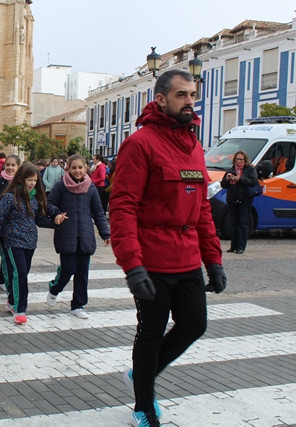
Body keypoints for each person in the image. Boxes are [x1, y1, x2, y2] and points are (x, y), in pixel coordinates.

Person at [110, 70, 226, 427]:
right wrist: (133, 266)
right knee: (150, 332)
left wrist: (214, 260)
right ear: (161, 99)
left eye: (192, 95)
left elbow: (202, 207)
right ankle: (143, 406)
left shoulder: (193, 145)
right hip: (152, 259)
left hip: (187, 256)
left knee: (194, 324)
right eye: (181, 95)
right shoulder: (140, 143)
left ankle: (142, 374)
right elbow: (123, 206)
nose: (190, 101)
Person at [0, 163, 64, 324]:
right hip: (12, 241)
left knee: (21, 273)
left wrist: (56, 221)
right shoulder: (9, 197)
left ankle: (11, 301)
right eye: (29, 180)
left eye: (35, 180)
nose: (31, 183)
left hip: (30, 242)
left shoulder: (35, 198)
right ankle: (19, 308)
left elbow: (39, 219)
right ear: (21, 179)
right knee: (20, 274)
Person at [46, 154, 110, 319]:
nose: (77, 170)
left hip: (85, 235)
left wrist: (105, 233)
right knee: (68, 268)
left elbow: (98, 212)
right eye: (74, 167)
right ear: (68, 168)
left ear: (86, 168)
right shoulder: (61, 186)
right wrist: (56, 214)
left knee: (82, 272)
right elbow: (49, 203)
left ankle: (78, 305)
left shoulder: (91, 188)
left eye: (80, 167)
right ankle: (55, 288)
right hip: (66, 234)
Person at [0, 154, 21, 289]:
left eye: (13, 165)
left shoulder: (22, 183)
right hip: (2, 225)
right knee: (6, 256)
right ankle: (6, 282)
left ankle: (4, 278)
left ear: (18, 166)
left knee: (12, 255)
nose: (10, 167)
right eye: (7, 165)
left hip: (17, 225)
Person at [220, 150, 258, 254]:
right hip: (232, 199)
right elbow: (223, 185)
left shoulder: (250, 169)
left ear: (245, 160)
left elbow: (253, 182)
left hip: (244, 199)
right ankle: (233, 246)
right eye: (237, 159)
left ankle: (241, 247)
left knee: (243, 224)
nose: (239, 161)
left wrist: (239, 179)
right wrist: (228, 179)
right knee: (233, 223)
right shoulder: (231, 170)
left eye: (241, 159)